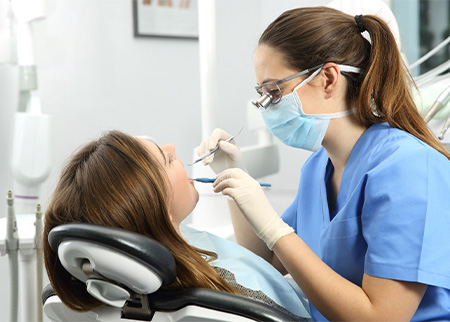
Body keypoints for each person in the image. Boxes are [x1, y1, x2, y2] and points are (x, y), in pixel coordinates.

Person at [197, 6, 450, 321]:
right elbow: (265, 258)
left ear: (329, 78)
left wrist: (275, 228)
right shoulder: (318, 168)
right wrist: (233, 176)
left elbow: (382, 317)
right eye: (262, 95)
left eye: (275, 93)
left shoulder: (409, 168)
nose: (268, 108)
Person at [42, 130, 310, 319]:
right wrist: (274, 229)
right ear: (161, 214)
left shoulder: (144, 272)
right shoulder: (233, 296)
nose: (171, 147)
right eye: (166, 159)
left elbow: (252, 262)